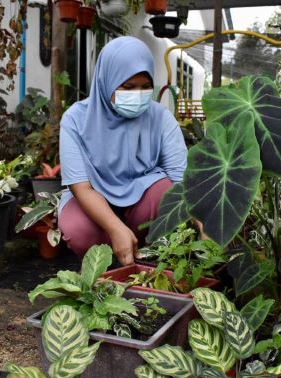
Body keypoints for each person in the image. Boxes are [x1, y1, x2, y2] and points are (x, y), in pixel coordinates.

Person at [57, 36, 187, 265]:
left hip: (141, 202)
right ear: (106, 80)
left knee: (165, 191)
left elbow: (180, 180)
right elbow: (81, 187)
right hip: (93, 199)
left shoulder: (160, 118)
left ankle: (140, 259)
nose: (137, 95)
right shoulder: (75, 119)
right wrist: (116, 228)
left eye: (145, 87)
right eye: (128, 87)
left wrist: (207, 224)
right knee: (77, 228)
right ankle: (104, 266)